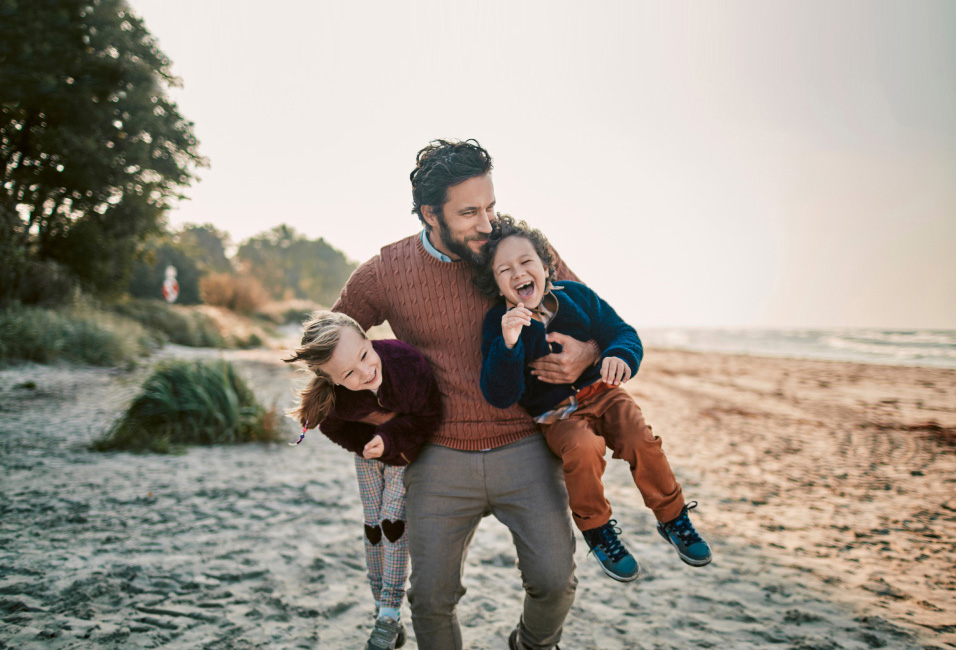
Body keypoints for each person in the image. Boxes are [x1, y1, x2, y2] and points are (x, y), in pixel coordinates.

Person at [333, 139, 596, 650]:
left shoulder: (520, 253)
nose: (486, 223)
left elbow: (595, 319)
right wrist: (373, 412)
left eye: (491, 206)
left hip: (526, 445)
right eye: (470, 211)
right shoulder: (386, 271)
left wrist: (584, 354)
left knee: (554, 582)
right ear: (431, 213)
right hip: (437, 455)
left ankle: (531, 645)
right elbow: (333, 341)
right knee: (430, 599)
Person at [475, 215, 712, 584]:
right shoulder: (500, 323)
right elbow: (500, 393)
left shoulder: (577, 296)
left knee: (640, 439)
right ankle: (598, 530)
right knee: (584, 449)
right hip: (558, 415)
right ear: (495, 283)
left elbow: (621, 332)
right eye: (504, 269)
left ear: (544, 266)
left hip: (605, 394)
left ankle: (673, 517)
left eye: (526, 262)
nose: (518, 272)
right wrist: (507, 344)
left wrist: (616, 355)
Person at [285, 310, 441, 650]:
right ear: (333, 381)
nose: (366, 372)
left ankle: (389, 612)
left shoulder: (405, 364)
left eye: (365, 356)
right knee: (372, 527)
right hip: (368, 457)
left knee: (392, 522)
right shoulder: (336, 398)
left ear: (368, 339)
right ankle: (379, 606)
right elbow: (333, 426)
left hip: (403, 452)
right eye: (349, 374)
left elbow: (429, 415)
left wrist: (390, 437)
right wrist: (365, 444)